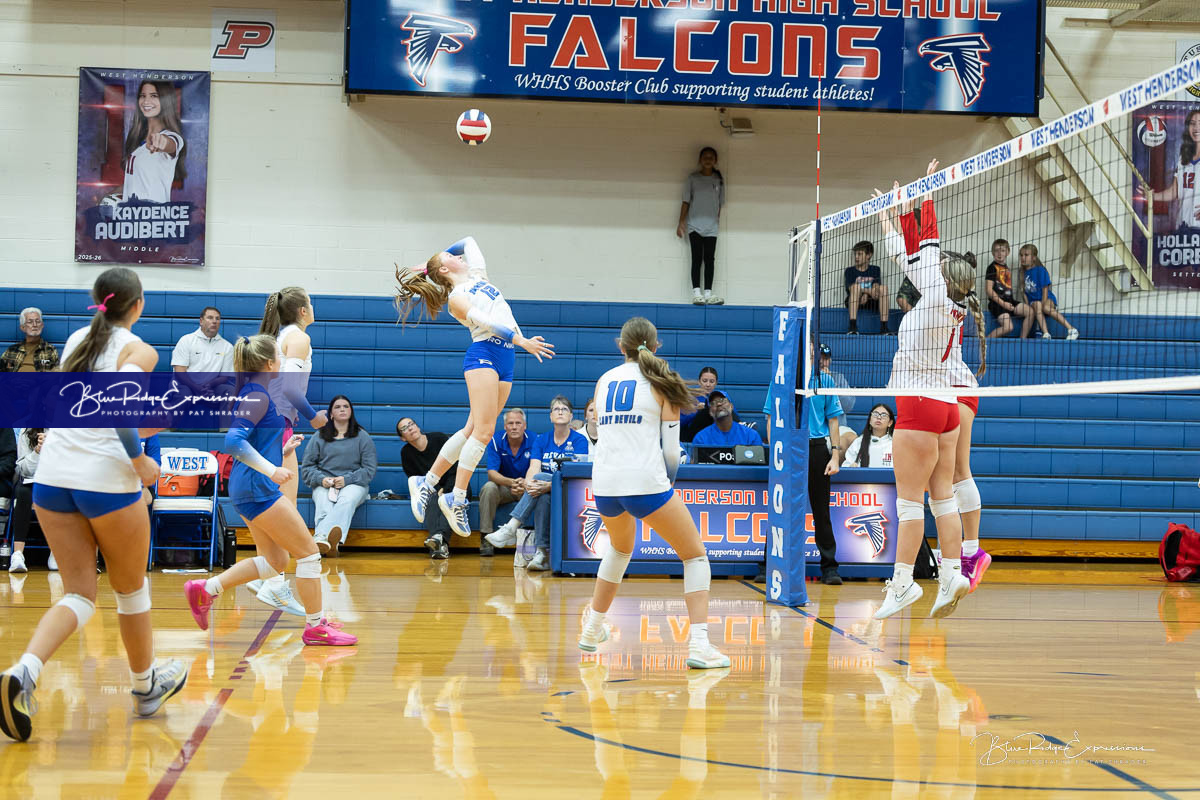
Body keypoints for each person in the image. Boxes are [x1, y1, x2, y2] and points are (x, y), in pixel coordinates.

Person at [1, 267, 189, 743]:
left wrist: (158, 419)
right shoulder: (138, 350)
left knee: (79, 595)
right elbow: (120, 414)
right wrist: (141, 460)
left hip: (53, 478)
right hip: (106, 479)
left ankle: (23, 672)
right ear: (138, 304)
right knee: (131, 592)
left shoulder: (76, 341)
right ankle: (145, 688)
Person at [184, 334, 356, 647]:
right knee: (308, 554)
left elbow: (254, 441)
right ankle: (315, 627)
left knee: (275, 561)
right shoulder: (256, 395)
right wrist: (271, 470)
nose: (282, 360)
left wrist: (280, 451)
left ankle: (206, 590)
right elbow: (233, 441)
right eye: (279, 355)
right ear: (268, 363)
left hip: (250, 487)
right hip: (257, 487)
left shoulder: (255, 392)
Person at [578, 316, 730, 669]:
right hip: (645, 481)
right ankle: (700, 645)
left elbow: (602, 434)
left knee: (619, 550)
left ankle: (592, 629)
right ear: (656, 345)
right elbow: (671, 452)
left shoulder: (604, 380)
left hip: (604, 484)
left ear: (621, 346)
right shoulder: (661, 382)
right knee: (695, 557)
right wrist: (668, 483)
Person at [873, 162, 987, 621]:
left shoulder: (935, 293)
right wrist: (895, 213)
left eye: (936, 264)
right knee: (942, 495)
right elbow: (907, 254)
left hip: (919, 405)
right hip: (945, 407)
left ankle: (902, 584)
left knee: (908, 502)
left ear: (943, 275)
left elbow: (928, 243)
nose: (931, 263)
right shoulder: (947, 299)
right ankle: (953, 572)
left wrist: (926, 193)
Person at [397, 236, 554, 541]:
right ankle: (456, 497)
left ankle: (426, 483)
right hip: (484, 353)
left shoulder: (477, 276)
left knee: (472, 430)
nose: (460, 257)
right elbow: (489, 324)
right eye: (451, 257)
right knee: (484, 432)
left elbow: (468, 241)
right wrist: (521, 340)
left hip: (505, 357)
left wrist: (431, 263)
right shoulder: (457, 297)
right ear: (445, 269)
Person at [249, 287, 328, 616]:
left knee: (270, 505)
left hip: (264, 423)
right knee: (285, 507)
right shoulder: (298, 338)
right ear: (302, 311)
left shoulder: (277, 337)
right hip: (276, 424)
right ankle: (274, 581)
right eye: (310, 302)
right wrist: (314, 416)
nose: (313, 306)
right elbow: (293, 390)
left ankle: (269, 576)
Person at [487, 397, 588, 571]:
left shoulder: (579, 441)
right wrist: (529, 484)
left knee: (542, 478)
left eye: (564, 409)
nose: (560, 412)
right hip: (546, 491)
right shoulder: (541, 440)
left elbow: (574, 476)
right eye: (556, 409)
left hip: (570, 491)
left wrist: (548, 485)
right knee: (543, 497)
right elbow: (533, 467)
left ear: (571, 416)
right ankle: (542, 553)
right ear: (550, 416)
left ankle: (512, 527)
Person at [301, 395, 377, 557]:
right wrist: (321, 479)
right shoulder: (319, 436)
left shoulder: (363, 437)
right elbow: (307, 467)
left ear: (351, 411)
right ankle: (331, 546)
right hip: (324, 483)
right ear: (331, 414)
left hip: (354, 483)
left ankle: (319, 538)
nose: (342, 409)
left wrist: (347, 479)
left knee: (346, 500)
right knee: (324, 504)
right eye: (337, 407)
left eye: (345, 406)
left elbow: (369, 469)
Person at [807, 345, 845, 585]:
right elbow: (771, 418)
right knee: (782, 510)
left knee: (822, 512)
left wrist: (835, 456)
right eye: (808, 351)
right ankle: (770, 564)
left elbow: (833, 420)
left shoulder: (825, 380)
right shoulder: (781, 378)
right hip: (790, 450)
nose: (812, 355)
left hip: (817, 448)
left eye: (813, 352)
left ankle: (829, 567)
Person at [398, 418, 460, 560]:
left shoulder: (439, 439)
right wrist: (437, 490)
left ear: (418, 427)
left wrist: (446, 489)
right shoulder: (406, 453)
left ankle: (437, 539)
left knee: (448, 498)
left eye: (411, 424)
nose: (410, 428)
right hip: (432, 490)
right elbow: (417, 480)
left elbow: (456, 467)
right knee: (432, 499)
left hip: (456, 484)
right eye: (404, 428)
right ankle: (440, 545)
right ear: (403, 438)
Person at [479, 409, 534, 557]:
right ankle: (485, 538)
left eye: (518, 423)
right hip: (506, 488)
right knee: (488, 487)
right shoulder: (496, 440)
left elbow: (537, 468)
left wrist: (525, 484)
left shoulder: (535, 440)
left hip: (527, 488)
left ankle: (531, 540)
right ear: (505, 426)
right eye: (510, 423)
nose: (514, 427)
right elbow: (492, 473)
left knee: (539, 489)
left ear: (524, 426)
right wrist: (511, 483)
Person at [122, 80, 186, 205]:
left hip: (154, 215)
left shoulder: (172, 137)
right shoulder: (138, 140)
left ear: (166, 100)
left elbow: (170, 144)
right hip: (131, 215)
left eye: (154, 96)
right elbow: (136, 184)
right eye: (143, 96)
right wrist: (110, 195)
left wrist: (162, 142)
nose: (146, 101)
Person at [676, 147, 725, 305]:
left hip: (712, 227)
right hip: (694, 225)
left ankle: (708, 294)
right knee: (696, 259)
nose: (708, 159)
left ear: (715, 160)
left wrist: (715, 222)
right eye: (705, 157)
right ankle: (697, 294)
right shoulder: (693, 179)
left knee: (710, 260)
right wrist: (681, 222)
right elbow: (685, 201)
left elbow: (719, 204)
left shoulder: (719, 180)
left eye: (711, 157)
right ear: (700, 160)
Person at [1144, 109, 1200, 233]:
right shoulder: (1183, 158)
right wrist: (1152, 196)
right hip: (1183, 225)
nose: (1196, 128)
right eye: (1192, 123)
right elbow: (1175, 191)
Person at [1019, 244, 1079, 340]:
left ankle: (1071, 329)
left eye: (1026, 255)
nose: (1023, 258)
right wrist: (1028, 306)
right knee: (1037, 305)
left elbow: (1045, 289)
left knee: (1045, 307)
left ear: (1033, 258)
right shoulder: (1022, 273)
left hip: (1046, 298)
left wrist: (1043, 304)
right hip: (1034, 303)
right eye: (1021, 255)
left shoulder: (1040, 270)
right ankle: (1046, 334)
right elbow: (1024, 293)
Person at [170, 306, 235, 391]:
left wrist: (209, 385)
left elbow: (224, 377)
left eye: (217, 318)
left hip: (211, 387)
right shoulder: (186, 340)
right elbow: (179, 371)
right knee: (184, 393)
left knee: (230, 390)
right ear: (201, 321)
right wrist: (196, 388)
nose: (214, 321)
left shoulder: (227, 347)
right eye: (210, 318)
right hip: (186, 385)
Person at [7, 428, 44, 574]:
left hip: (60, 482)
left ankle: (57, 552)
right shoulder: (26, 431)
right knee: (23, 492)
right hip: (32, 481)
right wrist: (37, 451)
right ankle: (18, 554)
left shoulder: (68, 430)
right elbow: (23, 470)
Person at [817, 344, 858, 458]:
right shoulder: (807, 379)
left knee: (853, 440)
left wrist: (831, 384)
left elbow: (848, 406)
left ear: (830, 361)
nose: (822, 362)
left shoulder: (839, 378)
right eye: (819, 358)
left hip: (839, 428)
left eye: (825, 359)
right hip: (818, 430)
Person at [984, 239, 1029, 338]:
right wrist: (1004, 304)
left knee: (1030, 312)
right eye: (997, 250)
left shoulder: (1006, 268)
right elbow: (988, 290)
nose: (1000, 254)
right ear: (992, 253)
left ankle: (1022, 341)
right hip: (997, 304)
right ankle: (985, 342)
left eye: (1003, 250)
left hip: (1009, 302)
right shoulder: (992, 268)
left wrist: (1008, 304)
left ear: (1008, 252)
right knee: (1008, 327)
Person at [844, 240, 891, 334]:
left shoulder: (875, 269)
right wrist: (867, 292)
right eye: (855, 254)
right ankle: (852, 326)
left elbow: (876, 286)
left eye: (859, 254)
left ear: (868, 255)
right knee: (856, 288)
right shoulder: (850, 271)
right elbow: (851, 288)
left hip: (871, 301)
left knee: (883, 288)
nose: (856, 257)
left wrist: (867, 294)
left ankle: (884, 327)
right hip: (855, 301)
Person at [692, 391, 763, 447]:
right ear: (710, 412)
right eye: (713, 403)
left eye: (722, 400)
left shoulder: (751, 436)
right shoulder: (701, 438)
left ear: (731, 406)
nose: (718, 404)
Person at [1, 308, 59, 372]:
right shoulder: (12, 350)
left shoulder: (50, 350)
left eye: (38, 321)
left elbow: (58, 374)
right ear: (23, 327)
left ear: (42, 325)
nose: (35, 325)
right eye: (30, 322)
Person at [844, 404, 895, 469]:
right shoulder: (859, 442)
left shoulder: (895, 443)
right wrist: (851, 467)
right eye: (875, 414)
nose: (879, 417)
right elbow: (846, 466)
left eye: (884, 415)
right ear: (870, 420)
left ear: (890, 423)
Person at [679, 367, 717, 434]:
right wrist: (696, 410)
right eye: (704, 381)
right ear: (699, 382)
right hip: (692, 434)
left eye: (711, 382)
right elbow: (679, 422)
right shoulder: (690, 398)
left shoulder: (720, 398)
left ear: (716, 383)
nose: (708, 385)